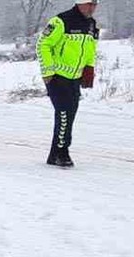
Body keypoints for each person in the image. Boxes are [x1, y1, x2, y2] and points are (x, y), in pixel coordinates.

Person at [38, 0, 100, 167]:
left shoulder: (91, 25)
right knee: (64, 114)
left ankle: (54, 154)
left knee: (70, 115)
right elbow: (43, 44)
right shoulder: (60, 21)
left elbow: (91, 49)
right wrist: (48, 72)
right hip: (57, 76)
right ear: (80, 4)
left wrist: (89, 68)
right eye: (89, 4)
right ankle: (62, 152)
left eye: (95, 5)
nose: (92, 8)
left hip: (75, 78)